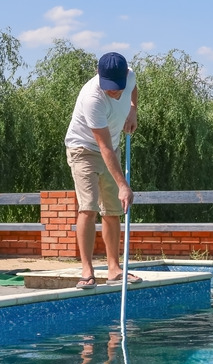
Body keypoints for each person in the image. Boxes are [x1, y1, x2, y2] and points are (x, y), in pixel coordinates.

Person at [65, 52, 142, 288]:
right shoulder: (92, 98)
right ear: (99, 76)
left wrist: (132, 109)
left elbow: (133, 88)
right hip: (84, 150)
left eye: (117, 87)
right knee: (88, 208)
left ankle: (114, 269)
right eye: (110, 87)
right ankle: (87, 271)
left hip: (113, 149)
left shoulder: (129, 77)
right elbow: (104, 146)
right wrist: (123, 185)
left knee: (112, 210)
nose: (115, 92)